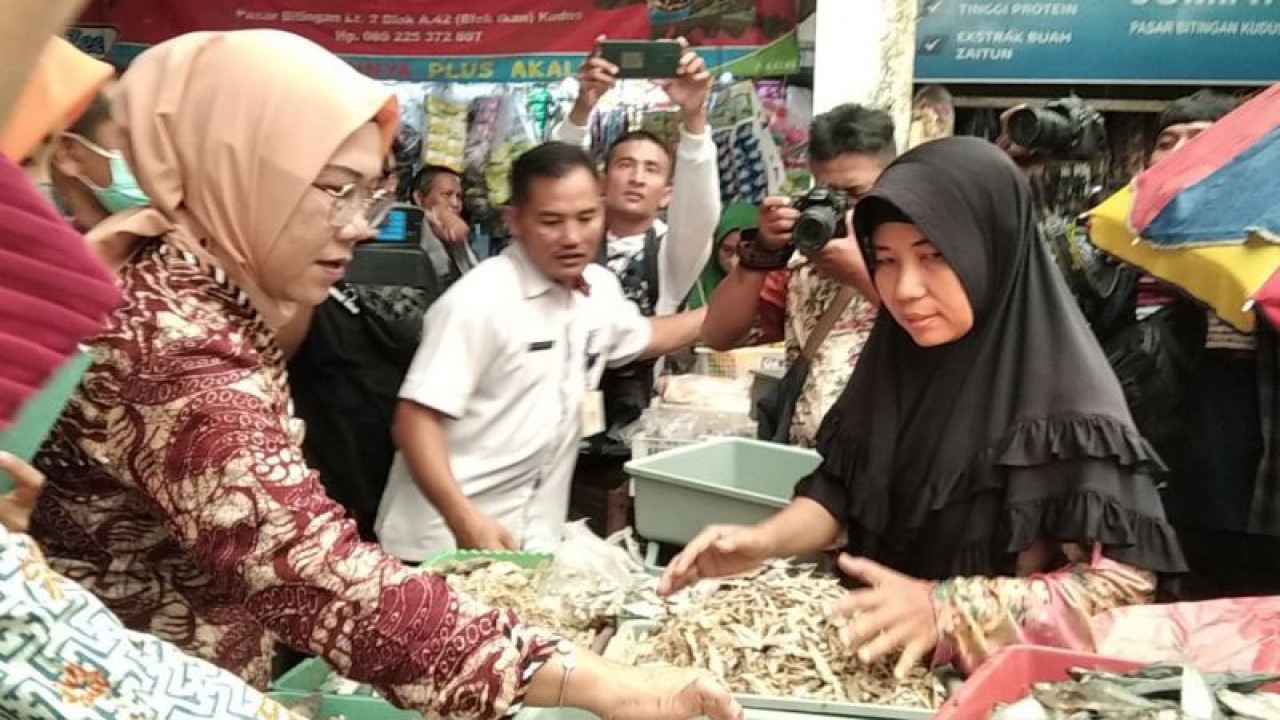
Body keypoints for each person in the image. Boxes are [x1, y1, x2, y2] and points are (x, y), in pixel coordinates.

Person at [30, 30, 738, 720]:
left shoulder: (201, 291)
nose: (361, 225)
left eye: (368, 195)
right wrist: (602, 685)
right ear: (236, 173)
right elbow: (313, 572)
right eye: (335, 191)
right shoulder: (174, 343)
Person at [660, 138, 1186, 677]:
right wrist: (763, 540)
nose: (906, 289)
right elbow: (844, 488)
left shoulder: (1069, 406)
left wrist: (948, 610)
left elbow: (1123, 589)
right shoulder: (897, 358)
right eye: (885, 261)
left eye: (935, 258)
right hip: (881, 676)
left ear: (993, 250)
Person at [377, 142, 707, 560]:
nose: (572, 237)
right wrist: (463, 518)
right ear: (514, 220)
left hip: (530, 544)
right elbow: (414, 421)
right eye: (551, 221)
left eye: (586, 218)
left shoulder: (597, 291)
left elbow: (647, 335)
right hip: (441, 544)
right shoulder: (479, 301)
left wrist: (749, 277)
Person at [1089, 90, 1280, 600]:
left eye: (1200, 140)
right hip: (1160, 485)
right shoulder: (1117, 248)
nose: (1179, 151)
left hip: (1254, 494)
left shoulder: (1268, 248)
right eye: (1167, 141)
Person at [553, 38, 719, 531]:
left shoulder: (674, 254)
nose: (636, 178)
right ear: (601, 181)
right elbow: (555, 177)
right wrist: (584, 107)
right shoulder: (568, 243)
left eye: (651, 170)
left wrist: (694, 119)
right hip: (556, 424)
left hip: (638, 435)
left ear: (667, 193)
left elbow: (702, 209)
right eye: (625, 165)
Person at [700, 103, 888, 447]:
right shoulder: (803, 259)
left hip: (886, 463)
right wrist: (761, 253)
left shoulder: (919, 253)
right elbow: (718, 334)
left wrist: (861, 276)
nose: (842, 209)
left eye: (857, 195)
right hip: (808, 461)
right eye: (830, 195)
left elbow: (945, 348)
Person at [411, 162, 477, 285]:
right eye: (446, 195)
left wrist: (458, 246)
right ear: (419, 198)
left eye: (459, 196)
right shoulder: (409, 233)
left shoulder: (455, 233)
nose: (455, 203)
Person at [684, 201, 758, 311]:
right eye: (727, 250)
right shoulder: (700, 288)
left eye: (745, 250)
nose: (735, 262)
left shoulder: (777, 286)